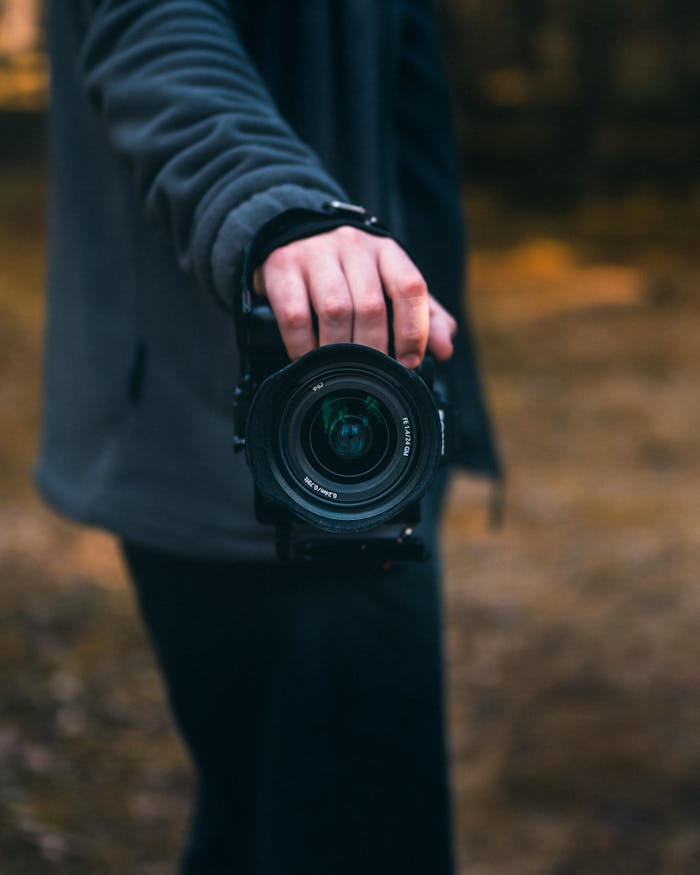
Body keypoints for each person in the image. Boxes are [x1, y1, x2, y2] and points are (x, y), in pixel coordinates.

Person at [38, 1, 500, 872]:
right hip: (242, 436)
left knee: (271, 821)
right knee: (354, 832)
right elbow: (154, 26)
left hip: (367, 420)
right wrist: (279, 207)